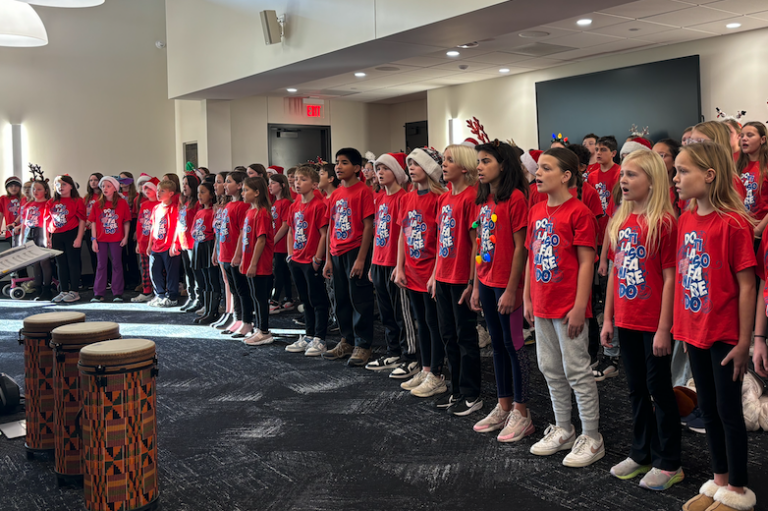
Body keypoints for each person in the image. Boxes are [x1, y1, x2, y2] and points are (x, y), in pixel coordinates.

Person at [673, 141, 757, 511]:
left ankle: (738, 489)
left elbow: (747, 285)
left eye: (683, 171)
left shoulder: (733, 223)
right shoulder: (687, 219)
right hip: (695, 331)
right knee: (706, 408)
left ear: (709, 175)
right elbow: (684, 276)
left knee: (728, 412)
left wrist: (744, 342)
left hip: (725, 334)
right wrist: (682, 328)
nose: (675, 178)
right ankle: (719, 479)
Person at [600, 150, 683, 490]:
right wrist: (607, 319)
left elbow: (669, 278)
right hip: (626, 320)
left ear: (652, 181)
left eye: (633, 175)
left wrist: (665, 328)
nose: (624, 180)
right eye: (623, 174)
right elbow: (614, 273)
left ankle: (669, 462)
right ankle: (641, 453)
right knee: (635, 389)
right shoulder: (619, 220)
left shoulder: (663, 222)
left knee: (659, 390)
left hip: (653, 323)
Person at [524, 147, 603, 468]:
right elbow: (532, 256)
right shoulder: (536, 210)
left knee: (577, 371)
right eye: (538, 168)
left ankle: (592, 436)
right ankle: (564, 428)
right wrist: (528, 297)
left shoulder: (579, 212)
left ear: (566, 175)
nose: (538, 173)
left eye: (546, 168)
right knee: (550, 368)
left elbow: (586, 263)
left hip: (569, 306)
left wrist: (579, 305)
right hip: (542, 304)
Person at [469, 141, 533, 442]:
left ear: (502, 165)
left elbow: (522, 248)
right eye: (478, 162)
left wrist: (512, 289)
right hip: (487, 281)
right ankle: (504, 404)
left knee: (513, 345)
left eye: (485, 161)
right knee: (496, 345)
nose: (479, 167)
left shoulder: (516, 198)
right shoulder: (483, 200)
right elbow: (480, 245)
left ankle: (522, 411)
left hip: (508, 285)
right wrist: (475, 286)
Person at [427, 143, 482, 416]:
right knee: (448, 335)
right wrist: (435, 275)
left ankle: (472, 393)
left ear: (464, 166)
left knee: (465, 336)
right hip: (444, 276)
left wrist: (473, 283)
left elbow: (475, 244)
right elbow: (440, 242)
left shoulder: (472, 198)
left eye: (450, 160)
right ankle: (456, 390)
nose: (444, 164)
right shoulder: (444, 198)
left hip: (462, 278)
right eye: (444, 160)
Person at [364, 152, 418, 378]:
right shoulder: (379, 198)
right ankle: (393, 350)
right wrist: (372, 264)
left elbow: (404, 235)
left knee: (401, 313)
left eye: (385, 168)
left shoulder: (403, 198)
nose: (379, 173)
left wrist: (400, 265)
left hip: (395, 264)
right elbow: (379, 232)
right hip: (379, 261)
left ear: (396, 172)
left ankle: (411, 356)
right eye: (378, 169)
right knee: (386, 312)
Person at [321, 148, 376, 367]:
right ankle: (347, 340)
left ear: (356, 168)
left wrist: (362, 259)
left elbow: (368, 226)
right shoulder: (335, 194)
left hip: (355, 251)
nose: (338, 166)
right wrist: (327, 258)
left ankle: (363, 344)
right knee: (341, 298)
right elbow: (331, 227)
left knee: (359, 299)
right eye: (337, 162)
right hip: (336, 252)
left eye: (344, 162)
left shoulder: (363, 191)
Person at [284, 166, 330, 356]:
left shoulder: (319, 205)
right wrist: (290, 255)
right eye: (296, 179)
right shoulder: (294, 206)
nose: (297, 183)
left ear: (313, 184)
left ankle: (320, 338)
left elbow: (323, 234)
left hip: (311, 261)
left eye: (302, 179)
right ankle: (309, 334)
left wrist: (318, 258)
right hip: (297, 259)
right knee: (305, 300)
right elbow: (291, 230)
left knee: (317, 299)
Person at [587, 135, 621, 370]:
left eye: (603, 149)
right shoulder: (591, 175)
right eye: (596, 149)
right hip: (598, 236)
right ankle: (609, 344)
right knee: (602, 288)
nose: (598, 153)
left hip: (615, 241)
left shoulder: (619, 174)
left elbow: (614, 214)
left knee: (612, 292)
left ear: (614, 153)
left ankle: (614, 350)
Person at [239, 177, 275, 346]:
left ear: (257, 192)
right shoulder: (250, 211)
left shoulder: (262, 213)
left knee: (260, 298)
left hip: (260, 263)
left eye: (246, 190)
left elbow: (261, 240)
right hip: (250, 261)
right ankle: (260, 328)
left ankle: (265, 331)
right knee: (255, 296)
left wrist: (253, 263)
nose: (243, 193)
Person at [217, 171, 252, 336]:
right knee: (234, 290)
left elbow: (242, 233)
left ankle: (247, 322)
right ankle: (237, 319)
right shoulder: (229, 205)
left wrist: (238, 255)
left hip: (235, 256)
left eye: (228, 182)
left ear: (239, 186)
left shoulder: (243, 207)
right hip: (225, 254)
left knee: (242, 290)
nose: (225, 185)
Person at [89, 176, 130, 303]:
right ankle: (98, 293)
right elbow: (94, 223)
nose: (105, 189)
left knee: (117, 264)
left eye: (108, 186)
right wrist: (93, 240)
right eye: (103, 186)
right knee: (101, 265)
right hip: (101, 239)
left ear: (115, 188)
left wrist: (126, 237)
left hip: (116, 239)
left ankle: (117, 292)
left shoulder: (122, 203)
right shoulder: (97, 204)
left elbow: (126, 221)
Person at [48, 175, 86, 303]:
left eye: (64, 184)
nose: (60, 187)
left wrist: (79, 238)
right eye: (57, 184)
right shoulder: (51, 202)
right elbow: (47, 220)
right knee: (60, 264)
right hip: (56, 235)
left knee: (72, 263)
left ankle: (74, 291)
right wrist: (48, 238)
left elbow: (82, 220)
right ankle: (63, 290)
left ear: (71, 186)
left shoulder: (77, 200)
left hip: (72, 233)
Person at [147, 180, 182, 307]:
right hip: (156, 246)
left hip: (168, 246)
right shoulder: (156, 208)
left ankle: (172, 296)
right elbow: (153, 227)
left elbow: (178, 227)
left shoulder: (175, 208)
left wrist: (175, 243)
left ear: (171, 193)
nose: (158, 193)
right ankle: (159, 294)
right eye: (157, 190)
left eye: (162, 191)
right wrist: (149, 244)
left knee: (171, 272)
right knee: (154, 270)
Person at [191, 181, 220, 325]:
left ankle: (214, 311)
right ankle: (207, 309)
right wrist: (195, 234)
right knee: (204, 280)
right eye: (198, 192)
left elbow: (215, 232)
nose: (200, 195)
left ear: (211, 194)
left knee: (212, 278)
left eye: (203, 192)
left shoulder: (213, 211)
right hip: (199, 246)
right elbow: (193, 229)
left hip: (209, 246)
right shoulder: (199, 212)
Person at [17, 179, 52, 300]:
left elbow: (49, 222)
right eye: (33, 189)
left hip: (42, 233)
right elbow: (24, 224)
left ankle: (47, 290)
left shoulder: (48, 203)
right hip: (30, 233)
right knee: (35, 263)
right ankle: (38, 290)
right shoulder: (28, 205)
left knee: (44, 262)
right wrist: (21, 240)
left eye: (39, 189)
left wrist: (48, 238)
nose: (35, 192)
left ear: (46, 191)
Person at [736, 122, 768, 244]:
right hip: (741, 229)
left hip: (761, 232)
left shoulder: (765, 167)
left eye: (750, 135)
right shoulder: (738, 167)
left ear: (763, 139)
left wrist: (758, 231)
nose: (744, 138)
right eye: (742, 135)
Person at [268, 173, 295, 314]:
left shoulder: (285, 202)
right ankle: (288, 298)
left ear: (282, 185)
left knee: (279, 272)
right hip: (276, 244)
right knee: (283, 273)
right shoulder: (275, 203)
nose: (270, 186)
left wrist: (273, 242)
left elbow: (285, 226)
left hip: (282, 244)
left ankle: (275, 300)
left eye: (273, 183)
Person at [132, 176, 159, 303]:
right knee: (145, 267)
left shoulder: (159, 205)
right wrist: (138, 241)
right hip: (143, 241)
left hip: (156, 242)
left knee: (158, 268)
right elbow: (139, 225)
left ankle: (159, 291)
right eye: (145, 188)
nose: (147, 190)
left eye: (149, 188)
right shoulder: (143, 205)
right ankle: (147, 291)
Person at [178, 173, 202, 312]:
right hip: (184, 241)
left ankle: (199, 298)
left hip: (193, 242)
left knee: (195, 271)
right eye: (183, 184)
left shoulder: (197, 203)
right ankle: (191, 296)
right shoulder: (185, 202)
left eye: (187, 184)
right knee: (188, 272)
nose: (184, 187)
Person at [119, 171, 141, 290]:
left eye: (124, 179)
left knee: (132, 253)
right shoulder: (116, 195)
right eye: (120, 179)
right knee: (121, 253)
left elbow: (138, 215)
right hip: (119, 225)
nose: (122, 182)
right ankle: (124, 279)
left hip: (132, 223)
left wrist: (136, 231)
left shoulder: (136, 195)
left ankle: (134, 278)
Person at [83, 172, 103, 284]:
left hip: (100, 230)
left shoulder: (104, 196)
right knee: (92, 255)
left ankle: (107, 278)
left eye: (95, 180)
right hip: (89, 230)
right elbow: (82, 213)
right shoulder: (87, 198)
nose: (93, 182)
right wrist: (88, 222)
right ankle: (97, 279)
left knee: (102, 256)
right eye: (91, 180)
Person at [0, 176, 24, 243]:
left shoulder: (24, 198)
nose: (14, 188)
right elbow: (0, 215)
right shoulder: (3, 199)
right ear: (7, 188)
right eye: (11, 186)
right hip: (10, 231)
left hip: (23, 230)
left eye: (16, 186)